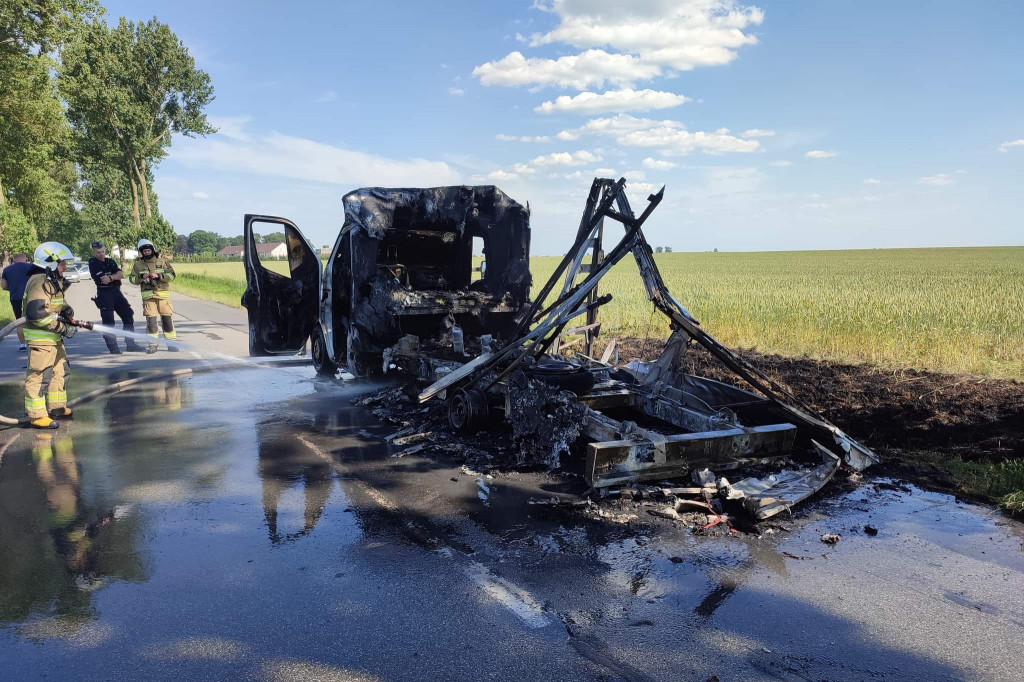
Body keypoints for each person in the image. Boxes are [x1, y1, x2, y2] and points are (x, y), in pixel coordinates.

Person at [23, 241, 78, 429]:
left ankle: (56, 408)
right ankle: (37, 415)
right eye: (63, 263)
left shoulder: (51, 281)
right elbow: (36, 313)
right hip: (41, 338)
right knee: (40, 376)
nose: (65, 267)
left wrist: (67, 311)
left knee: (60, 372)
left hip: (52, 339)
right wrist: (61, 328)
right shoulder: (39, 281)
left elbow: (54, 304)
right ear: (51, 262)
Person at [87, 241, 143, 354]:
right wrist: (114, 276)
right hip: (104, 293)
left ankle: (130, 344)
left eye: (103, 251)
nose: (101, 254)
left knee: (128, 315)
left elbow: (121, 275)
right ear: (94, 252)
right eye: (98, 252)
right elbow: (104, 279)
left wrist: (111, 277)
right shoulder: (93, 262)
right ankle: (113, 348)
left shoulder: (110, 261)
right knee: (109, 321)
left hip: (116, 291)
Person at [129, 238, 177, 354]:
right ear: (141, 252)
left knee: (167, 320)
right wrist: (142, 278)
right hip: (148, 297)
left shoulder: (162, 262)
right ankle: (152, 345)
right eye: (144, 251)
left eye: (148, 250)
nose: (146, 253)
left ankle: (171, 344)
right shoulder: (138, 265)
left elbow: (172, 275)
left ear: (152, 250)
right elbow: (132, 279)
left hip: (163, 297)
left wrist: (159, 276)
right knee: (151, 322)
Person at [2, 253, 33, 351]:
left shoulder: (7, 270)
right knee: (33, 319)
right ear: (26, 259)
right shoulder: (32, 267)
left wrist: (12, 289)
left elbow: (3, 286)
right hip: (30, 297)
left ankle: (22, 345)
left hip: (15, 298)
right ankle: (33, 342)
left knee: (19, 320)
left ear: (14, 260)